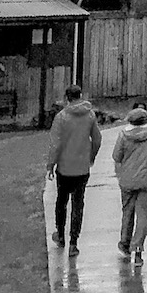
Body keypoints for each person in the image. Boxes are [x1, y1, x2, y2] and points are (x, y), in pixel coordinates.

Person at [46, 83, 101, 256]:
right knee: (78, 203)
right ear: (81, 95)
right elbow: (97, 139)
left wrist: (51, 165)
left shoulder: (62, 117)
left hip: (64, 167)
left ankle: (60, 235)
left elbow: (56, 144)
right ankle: (74, 243)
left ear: (67, 98)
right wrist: (91, 157)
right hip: (82, 167)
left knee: (61, 201)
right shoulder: (90, 115)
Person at [111, 106, 147, 265]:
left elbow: (116, 156)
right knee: (143, 215)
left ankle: (124, 243)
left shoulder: (123, 135)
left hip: (127, 180)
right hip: (146, 180)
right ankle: (138, 251)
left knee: (127, 212)